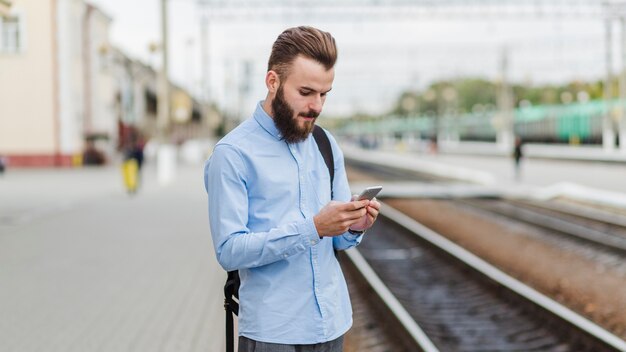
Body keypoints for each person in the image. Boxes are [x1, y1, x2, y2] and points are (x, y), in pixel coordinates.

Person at [204, 26, 381, 351]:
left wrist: (354, 225)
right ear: (273, 82)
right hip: (275, 333)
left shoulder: (326, 144)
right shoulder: (233, 155)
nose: (317, 105)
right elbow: (228, 250)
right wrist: (312, 228)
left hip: (332, 323)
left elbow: (339, 239)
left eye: (324, 94)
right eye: (306, 92)